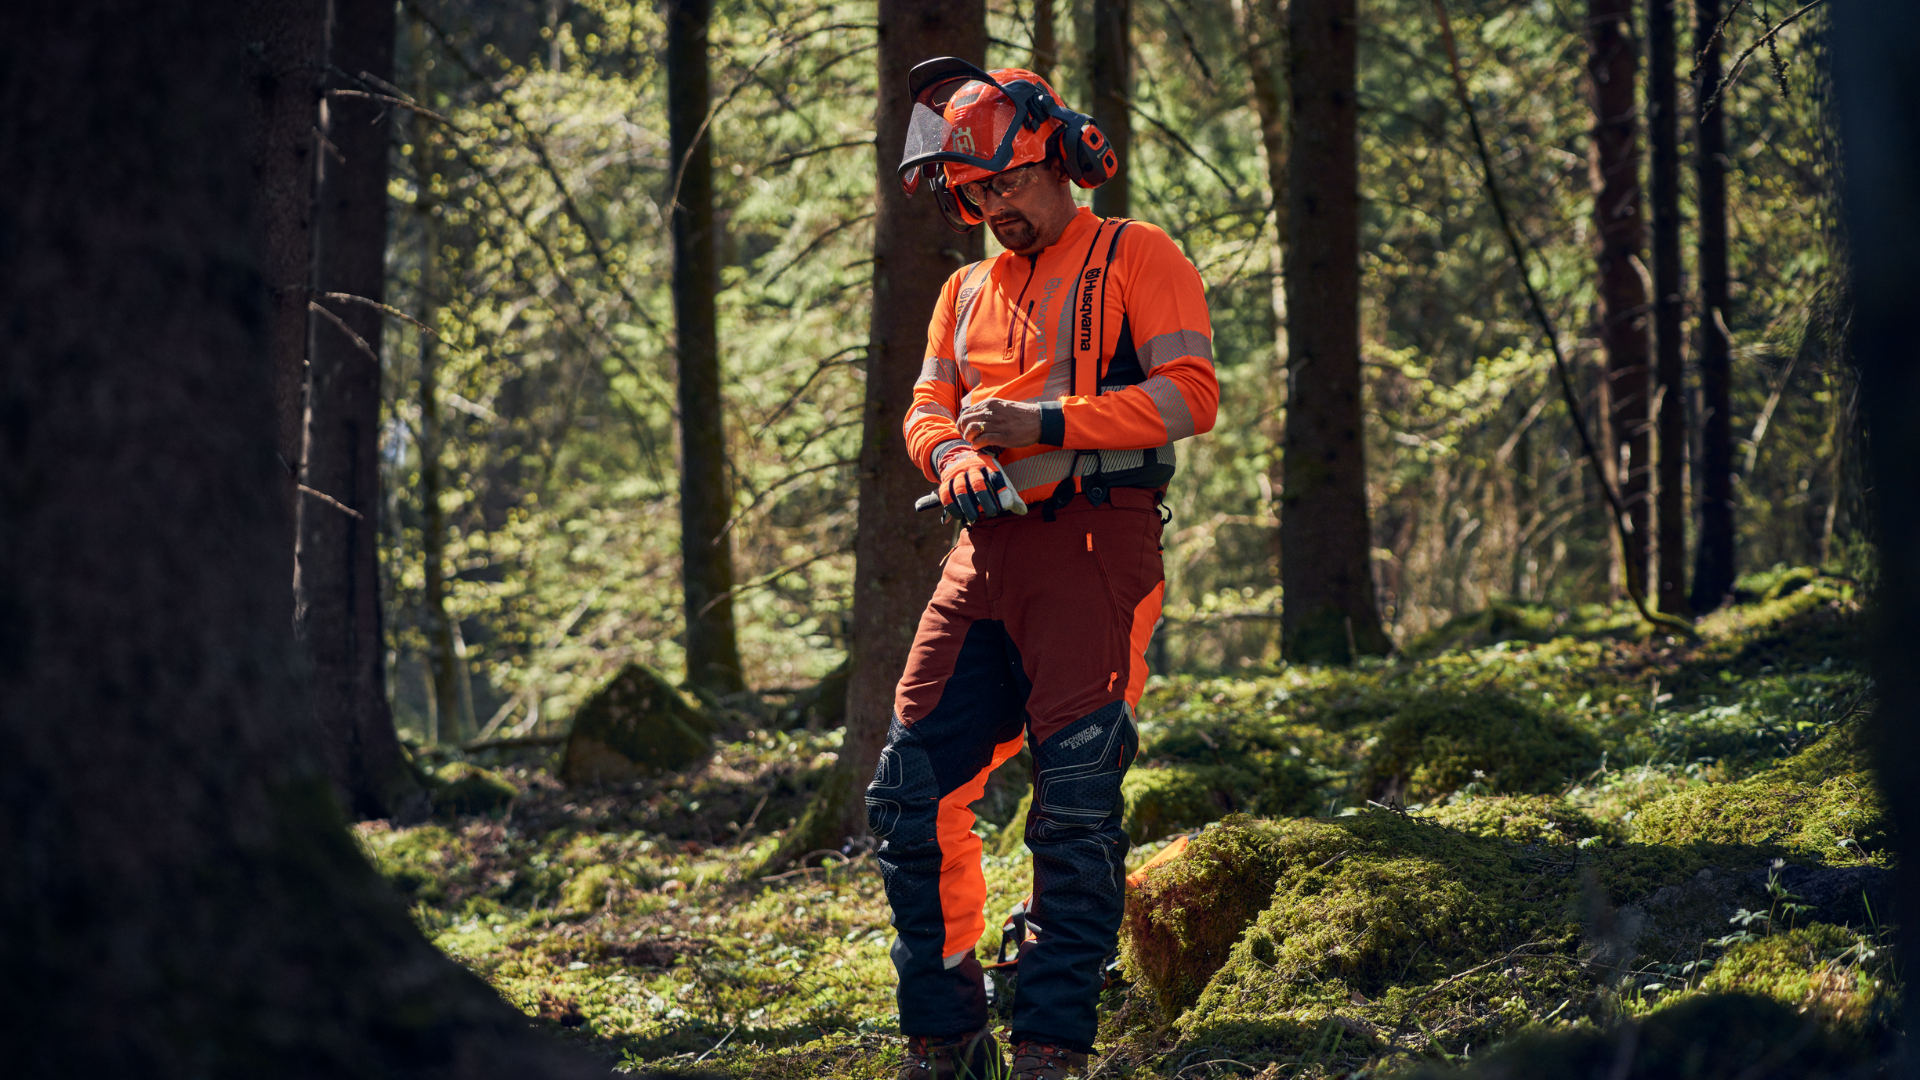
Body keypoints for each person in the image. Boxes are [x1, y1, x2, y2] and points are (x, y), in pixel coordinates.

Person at [869, 59, 1219, 1080]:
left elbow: (1192, 394)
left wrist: (1048, 422)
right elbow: (926, 410)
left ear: (1062, 157)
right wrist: (958, 457)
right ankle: (945, 1033)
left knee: (1073, 799)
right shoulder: (961, 291)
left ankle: (1053, 1047)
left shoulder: (1136, 255)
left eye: (1011, 183)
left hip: (1096, 546)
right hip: (983, 555)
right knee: (908, 791)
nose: (995, 209)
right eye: (975, 195)